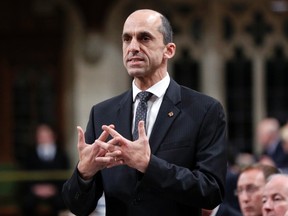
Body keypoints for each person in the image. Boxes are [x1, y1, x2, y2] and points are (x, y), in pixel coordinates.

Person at [62, 9, 227, 216]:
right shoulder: (103, 113)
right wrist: (83, 173)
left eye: (144, 38)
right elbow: (77, 207)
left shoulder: (204, 110)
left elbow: (212, 192)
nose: (133, 47)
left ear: (169, 50)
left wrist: (150, 165)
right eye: (126, 39)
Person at [21, 124, 70, 216]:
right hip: (35, 190)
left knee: (61, 203)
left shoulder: (61, 154)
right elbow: (26, 174)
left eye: (46, 135)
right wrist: (36, 188)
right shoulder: (30, 154)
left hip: (56, 190)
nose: (44, 138)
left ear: (53, 136)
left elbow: (65, 175)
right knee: (27, 203)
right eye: (41, 136)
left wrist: (53, 189)